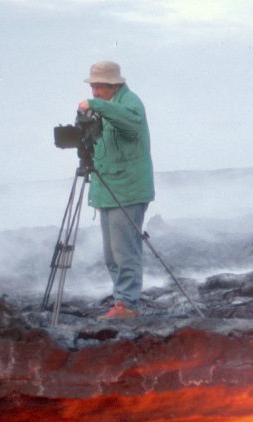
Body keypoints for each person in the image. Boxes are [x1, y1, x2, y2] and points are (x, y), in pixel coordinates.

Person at [77, 61, 154, 320]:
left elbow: (130, 124)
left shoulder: (131, 103)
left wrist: (97, 107)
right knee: (111, 254)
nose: (94, 92)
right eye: (93, 87)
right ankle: (122, 300)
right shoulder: (106, 108)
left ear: (113, 85)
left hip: (128, 191)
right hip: (108, 190)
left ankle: (128, 305)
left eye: (98, 87)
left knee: (125, 251)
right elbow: (99, 150)